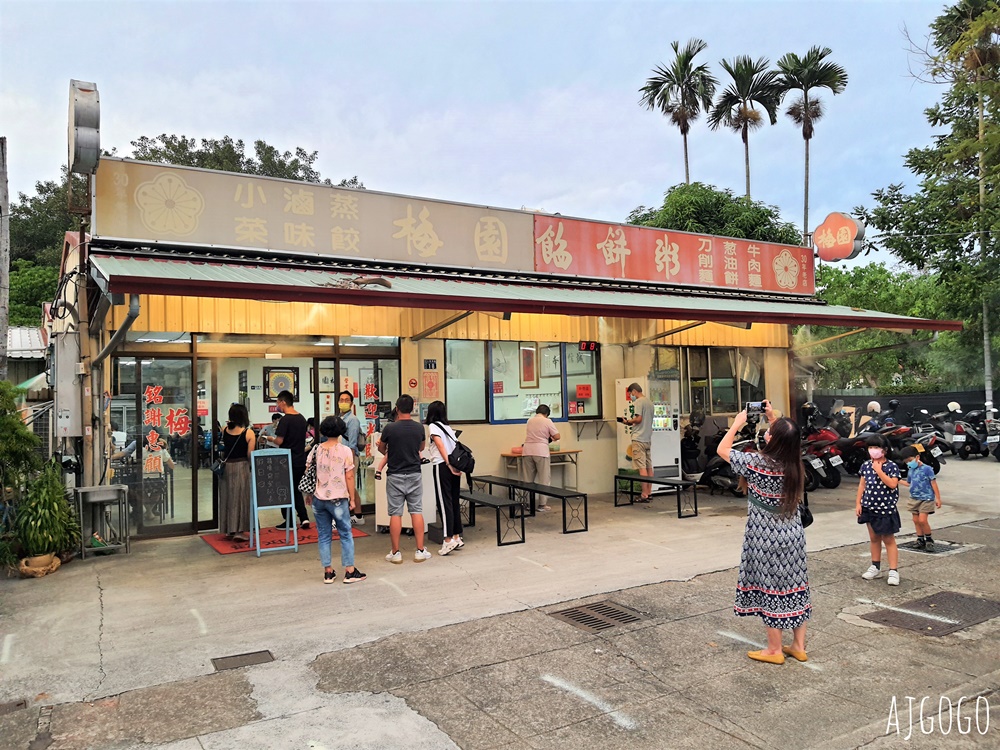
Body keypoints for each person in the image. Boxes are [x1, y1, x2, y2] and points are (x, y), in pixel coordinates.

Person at [717, 400, 810, 665]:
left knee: (771, 590)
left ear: (774, 439)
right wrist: (772, 417)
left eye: (771, 431)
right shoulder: (795, 463)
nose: (767, 434)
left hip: (765, 537)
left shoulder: (757, 463)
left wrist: (737, 423)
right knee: (795, 586)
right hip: (793, 536)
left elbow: (722, 449)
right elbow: (785, 438)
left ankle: (774, 650)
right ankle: (799, 646)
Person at [303, 415, 366, 584]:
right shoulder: (345, 451)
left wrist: (309, 495)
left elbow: (309, 474)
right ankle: (350, 571)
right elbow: (350, 476)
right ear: (341, 431)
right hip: (338, 499)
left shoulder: (316, 449)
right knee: (345, 533)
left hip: (319, 499)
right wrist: (352, 498)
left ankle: (328, 572)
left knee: (324, 535)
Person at [377, 394, 431, 564]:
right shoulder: (419, 428)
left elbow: (382, 449)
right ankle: (420, 550)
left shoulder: (390, 428)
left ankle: (396, 552)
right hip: (414, 473)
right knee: (416, 511)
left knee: (395, 513)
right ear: (413, 408)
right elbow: (421, 447)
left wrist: (385, 449)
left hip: (395, 475)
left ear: (397, 408)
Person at [856, 434, 902, 585]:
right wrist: (858, 503)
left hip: (886, 509)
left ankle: (893, 571)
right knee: (874, 537)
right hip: (869, 507)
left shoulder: (891, 466)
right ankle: (875, 567)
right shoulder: (866, 465)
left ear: (885, 450)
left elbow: (893, 484)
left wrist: (879, 470)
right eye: (870, 447)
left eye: (876, 447)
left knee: (888, 539)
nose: (873, 450)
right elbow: (862, 485)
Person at [262, 390, 311, 530]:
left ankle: (289, 520)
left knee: (284, 490)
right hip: (300, 460)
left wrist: (269, 438)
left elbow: (279, 440)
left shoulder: (285, 420)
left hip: (285, 461)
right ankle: (304, 518)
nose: (277, 405)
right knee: (296, 490)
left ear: (283, 402)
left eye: (277, 402)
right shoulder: (302, 418)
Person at [425, 400, 464, 555]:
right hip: (454, 466)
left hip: (442, 466)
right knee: (454, 501)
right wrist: (453, 465)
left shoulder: (433, 426)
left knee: (444, 503)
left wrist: (447, 464)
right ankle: (456, 536)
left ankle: (447, 540)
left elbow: (440, 446)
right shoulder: (448, 427)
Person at [219, 404, 255, 542]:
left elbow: (222, 449)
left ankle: (229, 529)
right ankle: (240, 531)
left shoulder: (224, 430)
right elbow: (250, 454)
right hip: (241, 467)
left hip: (227, 467)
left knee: (228, 497)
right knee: (241, 498)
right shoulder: (248, 433)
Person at [898, 445, 942, 553]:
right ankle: (920, 539)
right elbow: (909, 483)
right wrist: (896, 480)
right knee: (916, 520)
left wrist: (938, 498)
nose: (908, 463)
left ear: (917, 457)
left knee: (923, 520)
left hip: (926, 498)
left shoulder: (927, 469)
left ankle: (929, 539)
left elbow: (933, 483)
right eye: (906, 462)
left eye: (910, 460)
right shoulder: (910, 470)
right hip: (914, 498)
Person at [522, 404, 561, 511]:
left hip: (527, 450)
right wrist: (550, 437)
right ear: (547, 414)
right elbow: (557, 436)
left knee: (527, 479)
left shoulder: (530, 420)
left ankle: (527, 503)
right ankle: (542, 505)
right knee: (544, 479)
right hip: (541, 451)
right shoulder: (547, 421)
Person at [620, 382, 654, 502]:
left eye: (630, 394)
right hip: (647, 439)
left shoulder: (639, 402)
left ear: (634, 391)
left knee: (642, 468)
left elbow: (638, 419)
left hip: (638, 438)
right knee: (649, 466)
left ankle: (644, 494)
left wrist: (628, 421)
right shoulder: (650, 402)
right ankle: (649, 492)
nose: (631, 396)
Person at [338, 390, 367, 527]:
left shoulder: (353, 420)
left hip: (348, 457)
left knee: (347, 486)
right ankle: (357, 514)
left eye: (346, 400)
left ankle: (355, 515)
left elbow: (352, 443)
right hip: (340, 457)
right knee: (348, 487)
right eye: (341, 400)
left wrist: (348, 462)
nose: (343, 402)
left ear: (351, 403)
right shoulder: (340, 418)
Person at [373, 407, 397, 480]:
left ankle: (379, 471)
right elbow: (381, 438)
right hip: (391, 449)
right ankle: (379, 471)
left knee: (386, 457)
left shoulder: (390, 427)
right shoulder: (390, 428)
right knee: (386, 457)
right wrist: (379, 441)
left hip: (394, 450)